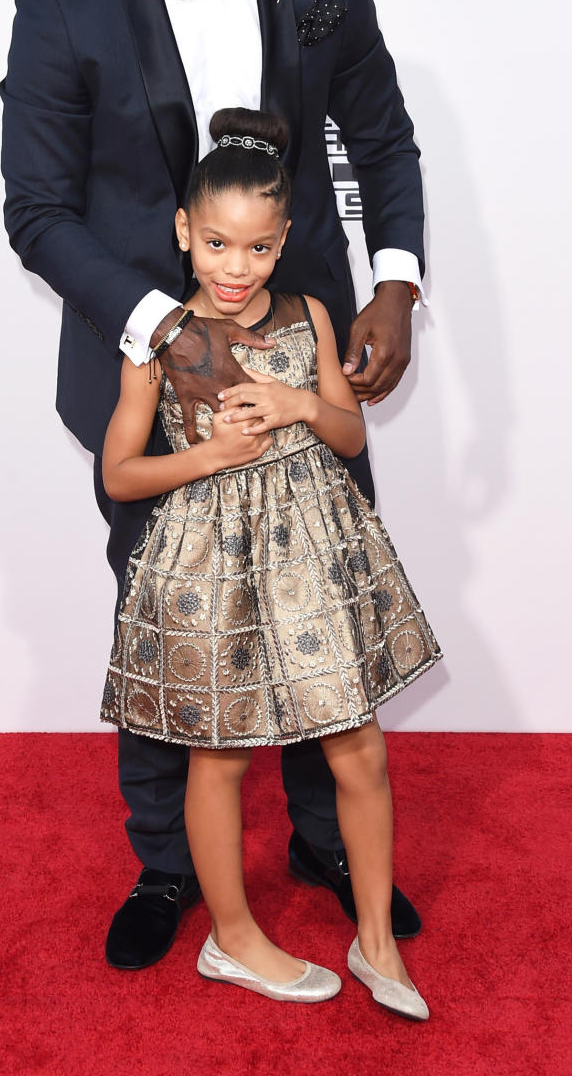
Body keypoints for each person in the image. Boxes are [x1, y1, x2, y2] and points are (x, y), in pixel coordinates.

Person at [0, 0, 427, 970]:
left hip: (305, 360)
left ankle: (326, 845)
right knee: (169, 629)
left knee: (319, 611)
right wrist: (166, 332)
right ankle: (166, 868)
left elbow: (385, 135)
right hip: (150, 376)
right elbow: (38, 209)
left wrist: (394, 282)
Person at [100, 108, 440, 1015]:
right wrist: (207, 456)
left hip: (313, 549)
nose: (235, 267)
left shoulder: (311, 314)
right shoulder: (159, 339)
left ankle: (376, 944)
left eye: (256, 248)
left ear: (284, 240)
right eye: (216, 243)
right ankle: (233, 938)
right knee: (221, 756)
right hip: (209, 560)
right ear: (185, 232)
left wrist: (296, 402)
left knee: (358, 743)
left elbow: (347, 426)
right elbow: (120, 470)